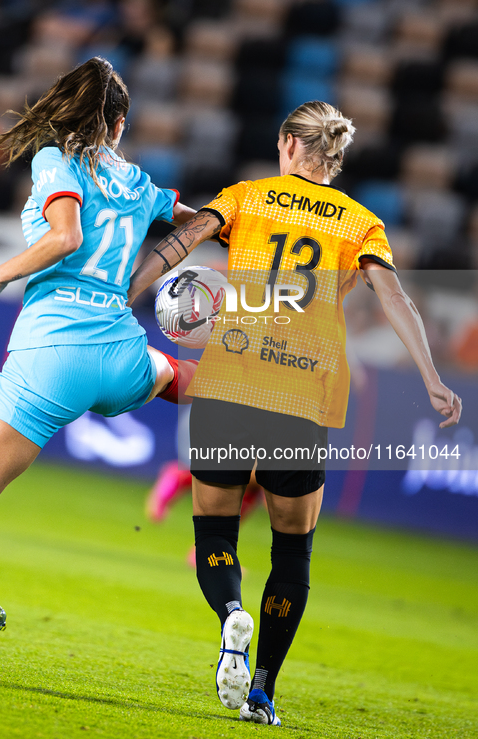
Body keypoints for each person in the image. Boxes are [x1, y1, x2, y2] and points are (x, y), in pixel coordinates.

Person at [127, 101, 462, 724]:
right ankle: (262, 691)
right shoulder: (363, 225)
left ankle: (231, 616)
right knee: (293, 553)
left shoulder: (247, 196)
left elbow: (183, 239)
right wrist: (433, 378)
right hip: (302, 398)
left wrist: (128, 294)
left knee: (215, 534)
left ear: (287, 143)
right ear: (335, 156)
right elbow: (394, 297)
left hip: (229, 383)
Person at [0, 57, 198, 673]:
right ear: (119, 123)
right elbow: (200, 221)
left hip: (55, 353)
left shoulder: (55, 162)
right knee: (184, 379)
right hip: (121, 352)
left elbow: (66, 237)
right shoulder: (140, 183)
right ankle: (272, 390)